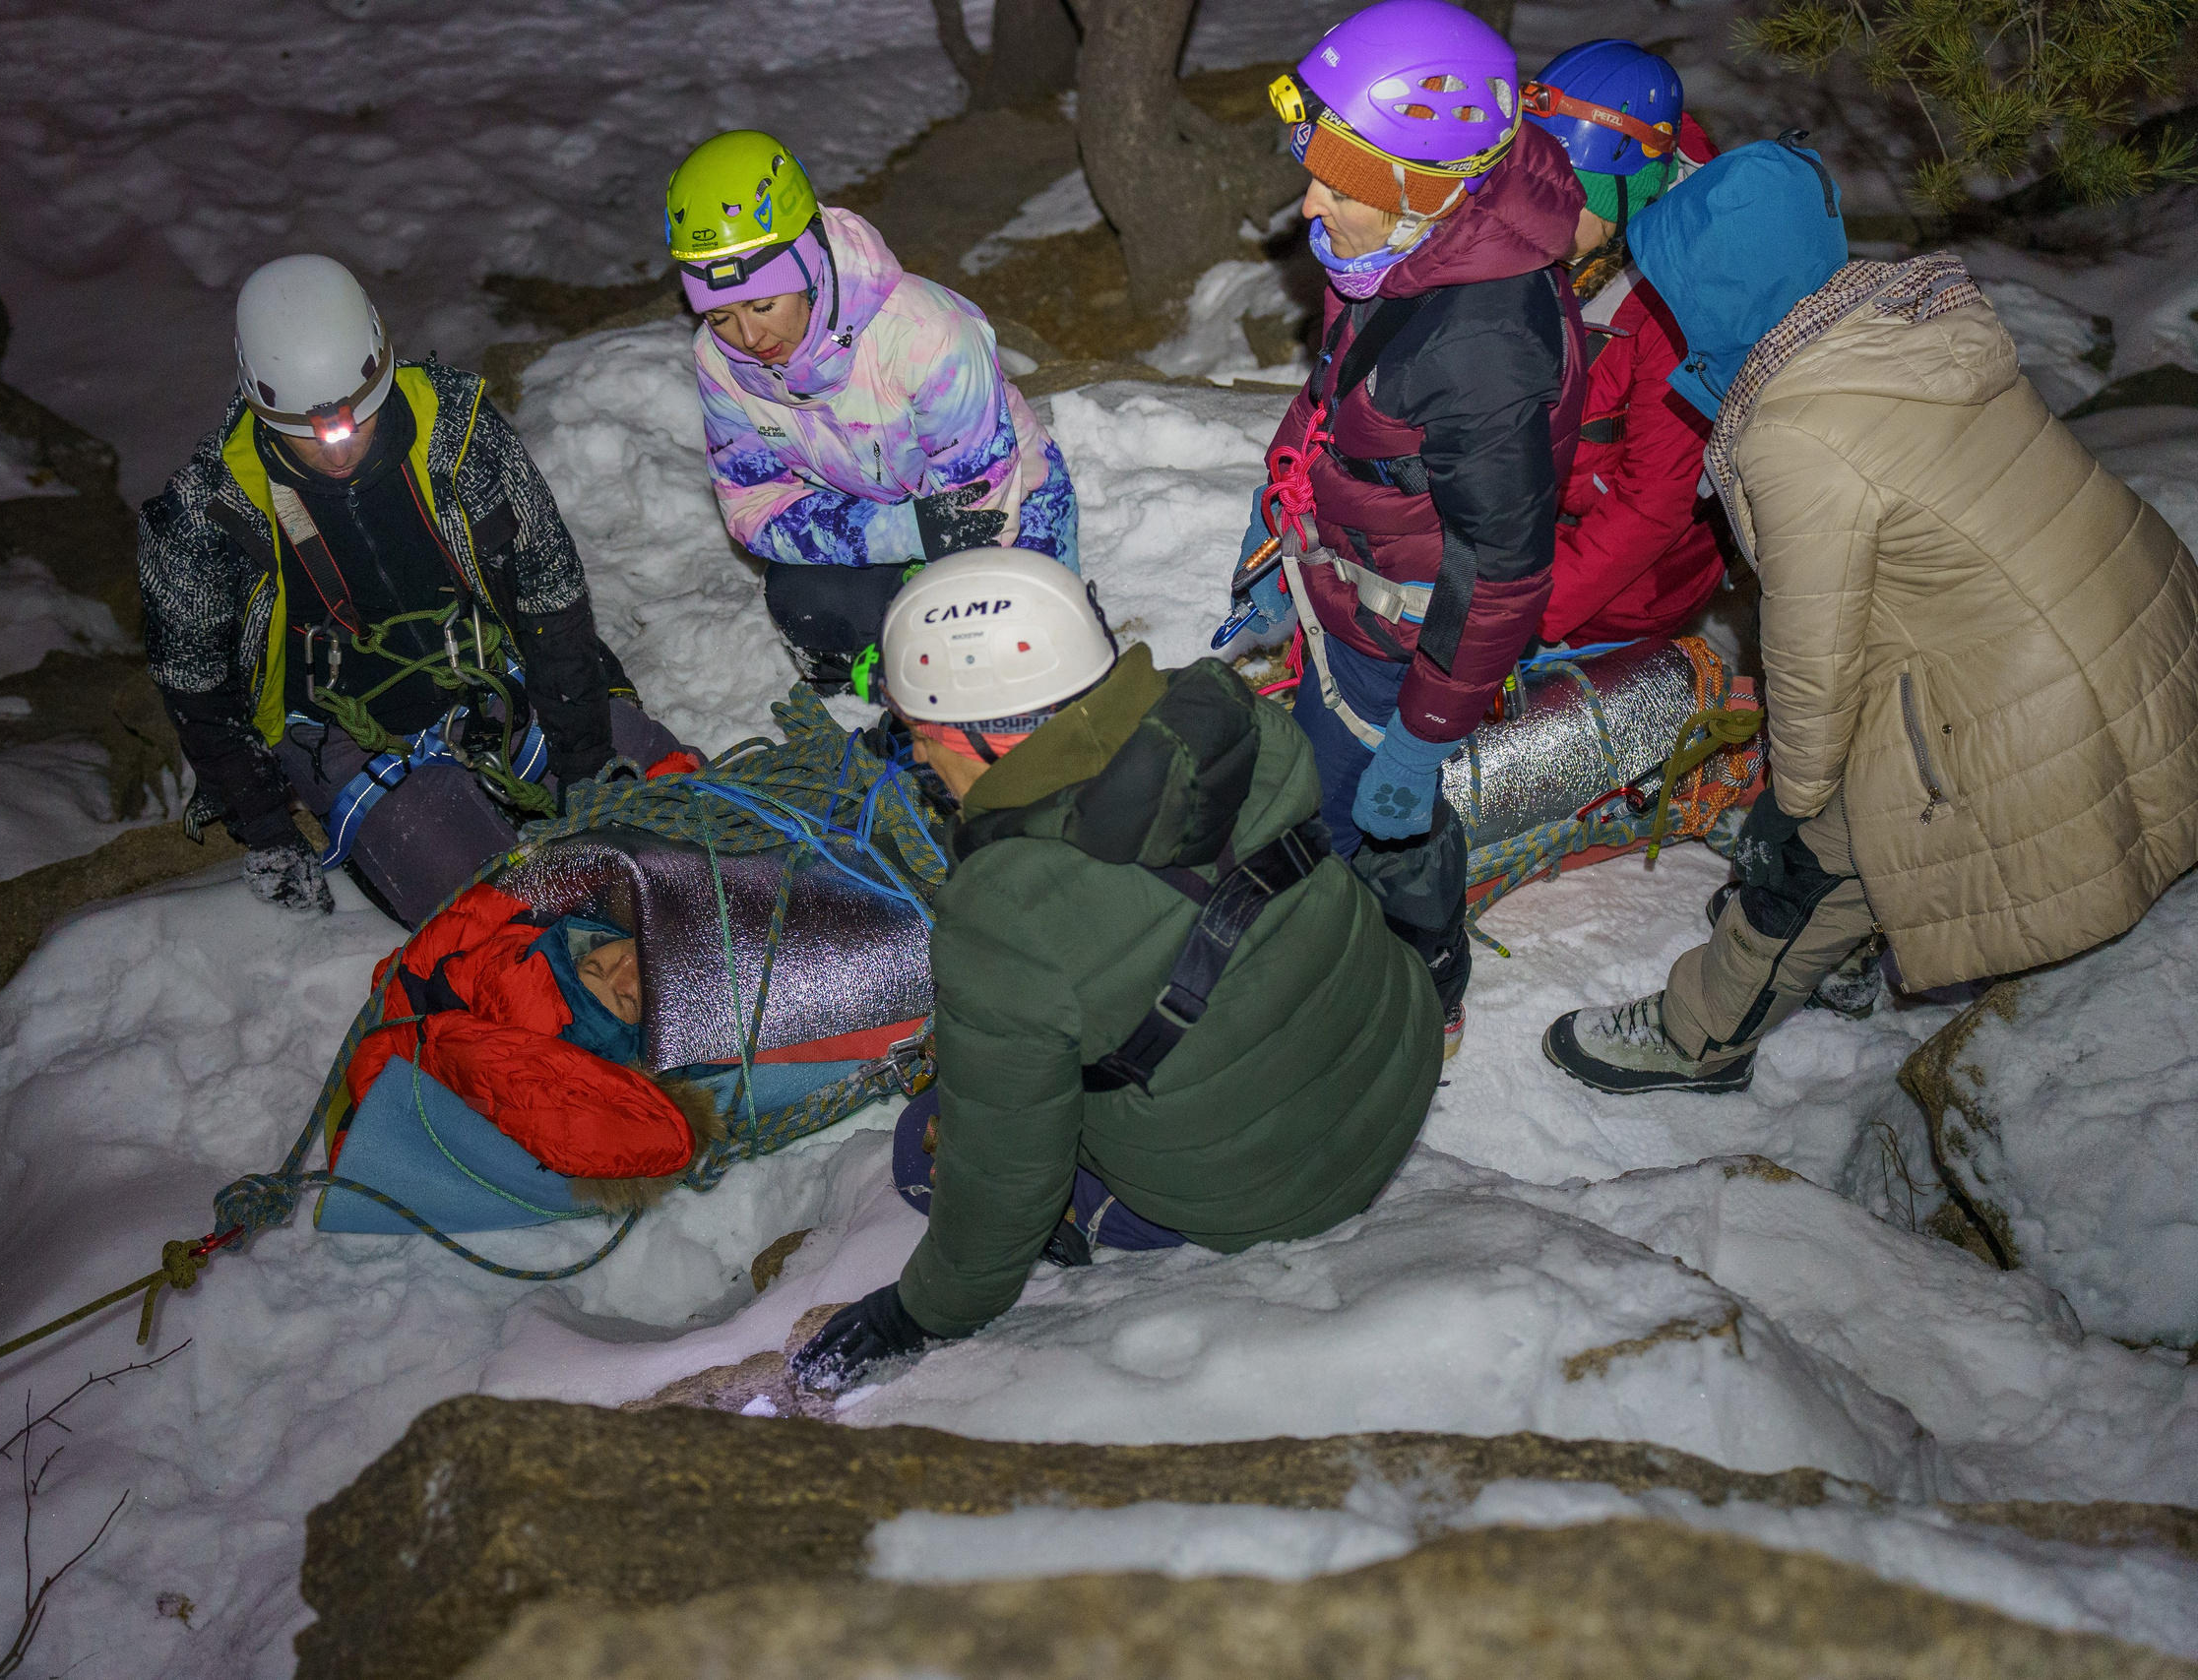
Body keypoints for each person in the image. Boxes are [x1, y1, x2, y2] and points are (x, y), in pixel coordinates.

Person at [1544, 135, 2198, 1093]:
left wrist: (1794, 808)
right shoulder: (1899, 324)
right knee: (1846, 804)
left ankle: (1698, 1038)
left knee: (1810, 858)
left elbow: (1811, 653)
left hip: (2029, 689)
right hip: (2137, 614)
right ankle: (1848, 934)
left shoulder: (1797, 428)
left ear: (1720, 290)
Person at [792, 552, 1441, 1389]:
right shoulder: (1222, 710)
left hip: (1277, 1195)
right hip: (1395, 1052)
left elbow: (1005, 1175)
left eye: (921, 738)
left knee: (929, 1147)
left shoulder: (1001, 914)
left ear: (975, 735)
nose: (923, 764)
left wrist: (920, 1312)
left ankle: (1094, 1221)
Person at [1227, 0, 1585, 1058]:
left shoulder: (1479, 348)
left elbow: (1505, 569)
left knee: (1353, 815)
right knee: (1323, 780)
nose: (1307, 206)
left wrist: (1424, 737)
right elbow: (1344, 393)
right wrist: (1278, 510)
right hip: (1352, 582)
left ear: (1424, 191)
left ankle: (1421, 982)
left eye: (1338, 189)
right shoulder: (1406, 255)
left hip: (1407, 638)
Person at [140, 255, 687, 928]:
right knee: (501, 924)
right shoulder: (211, 513)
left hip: (493, 679)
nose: (338, 451)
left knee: (682, 808)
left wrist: (586, 760)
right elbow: (193, 682)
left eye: (354, 420)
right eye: (309, 435)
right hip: (345, 732)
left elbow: (549, 591)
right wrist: (266, 826)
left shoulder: (456, 434)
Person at [670, 130, 1078, 692]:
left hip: (1008, 511)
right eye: (719, 316)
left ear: (808, 270)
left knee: (1010, 669)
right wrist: (899, 534)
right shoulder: (719, 362)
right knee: (803, 599)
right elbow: (753, 505)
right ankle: (874, 686)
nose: (748, 336)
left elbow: (977, 511)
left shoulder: (928, 336)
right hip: (884, 517)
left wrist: (920, 570)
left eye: (764, 305)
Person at [1523, 40, 1727, 646]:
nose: (1542, 207)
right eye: (1534, 182)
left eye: (1571, 192)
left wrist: (1533, 615)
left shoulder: (1674, 313)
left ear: (1628, 196)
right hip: (1526, 531)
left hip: (1624, 582)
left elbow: (1654, 503)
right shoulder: (1560, 244)